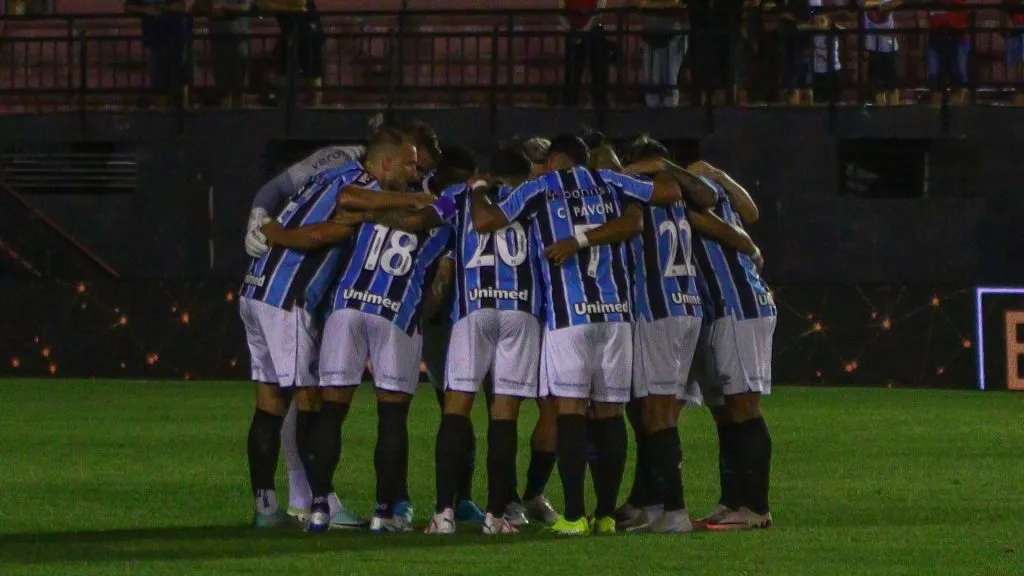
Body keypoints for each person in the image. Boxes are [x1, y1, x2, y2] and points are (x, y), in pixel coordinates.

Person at [469, 135, 683, 536]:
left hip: (570, 317)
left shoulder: (541, 187)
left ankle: (573, 516)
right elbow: (667, 192)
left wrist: (479, 189)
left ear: (552, 161)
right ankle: (604, 515)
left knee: (569, 413)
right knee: (609, 414)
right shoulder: (610, 181)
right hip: (615, 316)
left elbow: (485, 221)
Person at [237, 158, 405, 528]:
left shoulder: (330, 171)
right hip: (288, 299)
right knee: (311, 400)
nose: (410, 173)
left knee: (269, 403)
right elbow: (322, 234)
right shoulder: (367, 190)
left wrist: (269, 227)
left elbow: (283, 195)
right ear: (387, 161)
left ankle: (266, 509)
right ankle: (322, 504)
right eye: (408, 164)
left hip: (255, 289)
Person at [304, 130, 452, 534]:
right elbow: (440, 273)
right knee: (391, 418)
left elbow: (350, 209)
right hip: (396, 313)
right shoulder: (443, 209)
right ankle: (384, 513)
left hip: (346, 306)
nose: (412, 170)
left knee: (332, 411)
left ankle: (319, 509)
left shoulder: (373, 200)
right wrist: (428, 312)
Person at [685, 161, 776, 531]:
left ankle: (757, 509)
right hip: (719, 311)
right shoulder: (715, 194)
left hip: (738, 306)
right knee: (725, 412)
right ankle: (732, 500)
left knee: (744, 408)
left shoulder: (695, 204)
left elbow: (741, 227)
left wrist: (748, 244)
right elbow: (751, 212)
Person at [124, 0, 190, 108]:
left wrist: (160, 9)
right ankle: (163, 115)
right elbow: (128, 7)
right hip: (155, 43)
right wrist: (147, 10)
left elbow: (181, 6)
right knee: (158, 86)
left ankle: (173, 114)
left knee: (174, 85)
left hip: (174, 43)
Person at [194, 0, 253, 108]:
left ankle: (240, 116)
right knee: (221, 81)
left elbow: (246, 6)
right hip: (218, 36)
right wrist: (209, 8)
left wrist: (224, 7)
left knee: (238, 80)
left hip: (237, 36)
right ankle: (225, 116)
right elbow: (200, 5)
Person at [632, 0, 686, 108]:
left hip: (673, 37)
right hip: (650, 36)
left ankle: (670, 112)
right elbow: (636, 5)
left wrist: (652, 7)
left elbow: (680, 6)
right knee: (652, 84)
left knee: (670, 80)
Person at [560, 0, 611, 109]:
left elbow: (600, 8)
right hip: (575, 29)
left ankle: (598, 105)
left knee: (596, 68)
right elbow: (561, 7)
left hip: (591, 30)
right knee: (573, 70)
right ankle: (571, 104)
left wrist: (582, 30)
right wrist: (570, 28)